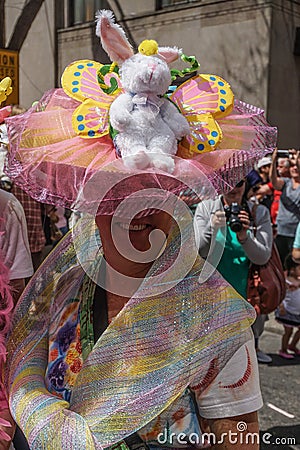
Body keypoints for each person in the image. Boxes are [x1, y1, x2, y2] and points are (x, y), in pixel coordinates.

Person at [3, 10, 277, 449]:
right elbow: (25, 376)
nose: (140, 205)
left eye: (158, 189)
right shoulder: (61, 293)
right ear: (91, 204)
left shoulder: (215, 324)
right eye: (118, 190)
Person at [194, 172, 273, 364]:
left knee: (242, 361)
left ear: (246, 185)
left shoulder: (258, 213)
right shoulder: (206, 208)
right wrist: (212, 228)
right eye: (226, 182)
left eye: (237, 183)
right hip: (211, 296)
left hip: (246, 294)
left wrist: (245, 237)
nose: (232, 189)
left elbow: (262, 257)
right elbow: (198, 251)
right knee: (211, 358)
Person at [270, 148, 300, 265]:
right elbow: (274, 182)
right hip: (281, 231)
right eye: (291, 166)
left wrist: (296, 158)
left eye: (296, 165)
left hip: (296, 233)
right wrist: (273, 161)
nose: (294, 168)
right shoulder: (286, 182)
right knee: (280, 263)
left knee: (294, 264)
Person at [275, 254, 300, 359]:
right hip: (287, 311)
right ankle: (283, 349)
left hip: (297, 312)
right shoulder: (285, 280)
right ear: (292, 269)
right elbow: (280, 294)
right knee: (288, 331)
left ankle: (293, 345)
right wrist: (280, 306)